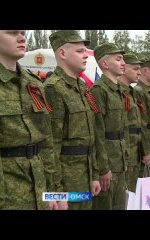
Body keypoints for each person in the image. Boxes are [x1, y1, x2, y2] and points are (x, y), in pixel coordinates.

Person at [0, 30, 57, 210]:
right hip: (5, 196)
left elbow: (46, 141)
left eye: (22, 33)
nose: (21, 37)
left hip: (39, 192)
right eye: (12, 33)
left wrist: (52, 192)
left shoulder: (33, 84)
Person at [44, 30, 101, 210]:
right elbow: (50, 144)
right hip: (66, 183)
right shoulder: (53, 89)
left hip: (85, 176)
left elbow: (88, 137)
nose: (86, 56)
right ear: (62, 53)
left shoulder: (81, 87)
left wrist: (94, 175)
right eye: (80, 51)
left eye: (85, 51)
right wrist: (55, 192)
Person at [90, 43, 127, 210]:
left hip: (119, 159)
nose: (123, 63)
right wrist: (103, 168)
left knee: (119, 204)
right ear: (105, 64)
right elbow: (97, 132)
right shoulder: (99, 90)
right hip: (108, 162)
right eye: (118, 59)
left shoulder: (118, 90)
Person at [117, 53, 150, 192]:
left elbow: (140, 124)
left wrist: (145, 150)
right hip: (125, 150)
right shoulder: (118, 92)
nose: (139, 72)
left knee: (132, 189)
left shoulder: (132, 92)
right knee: (126, 191)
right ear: (124, 69)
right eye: (135, 69)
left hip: (135, 148)